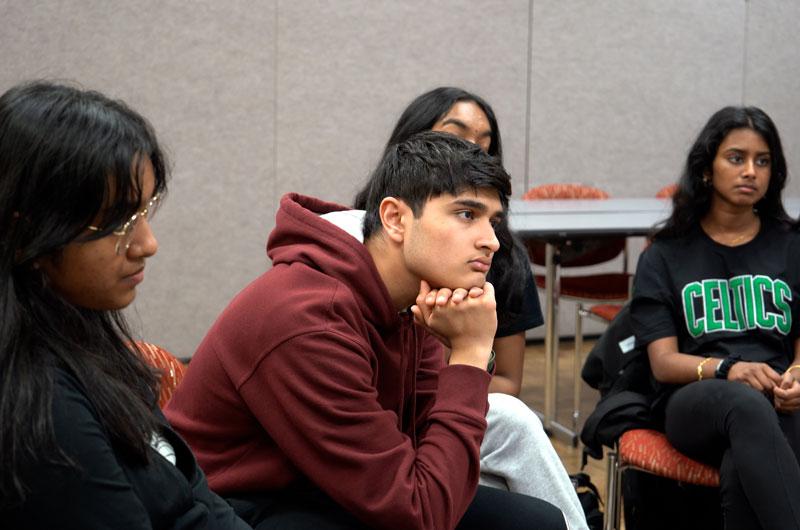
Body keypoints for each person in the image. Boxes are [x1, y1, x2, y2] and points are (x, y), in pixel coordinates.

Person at [166, 132, 567, 530]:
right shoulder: (310, 320)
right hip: (233, 508)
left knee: (539, 521)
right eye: (467, 215)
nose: (491, 241)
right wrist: (469, 355)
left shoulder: (412, 296)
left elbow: (424, 445)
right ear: (395, 219)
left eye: (492, 221)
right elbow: (419, 514)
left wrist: (466, 355)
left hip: (325, 485)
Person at [0, 81, 250, 530]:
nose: (147, 244)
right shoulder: (42, 409)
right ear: (26, 235)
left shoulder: (85, 336)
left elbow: (193, 490)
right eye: (118, 222)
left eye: (144, 212)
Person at [352, 87, 588, 530]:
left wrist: (467, 348)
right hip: (367, 448)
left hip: (434, 414)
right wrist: (463, 352)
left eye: (484, 142)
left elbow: (505, 383)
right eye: (455, 135)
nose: (470, 150)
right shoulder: (359, 259)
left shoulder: (498, 257)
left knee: (513, 437)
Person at [630, 106, 800, 529]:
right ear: (707, 169)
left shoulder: (792, 244)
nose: (750, 172)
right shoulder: (666, 254)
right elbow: (663, 362)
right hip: (698, 393)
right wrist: (730, 369)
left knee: (746, 461)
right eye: (736, 158)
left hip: (779, 393)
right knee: (746, 406)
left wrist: (797, 372)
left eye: (763, 161)